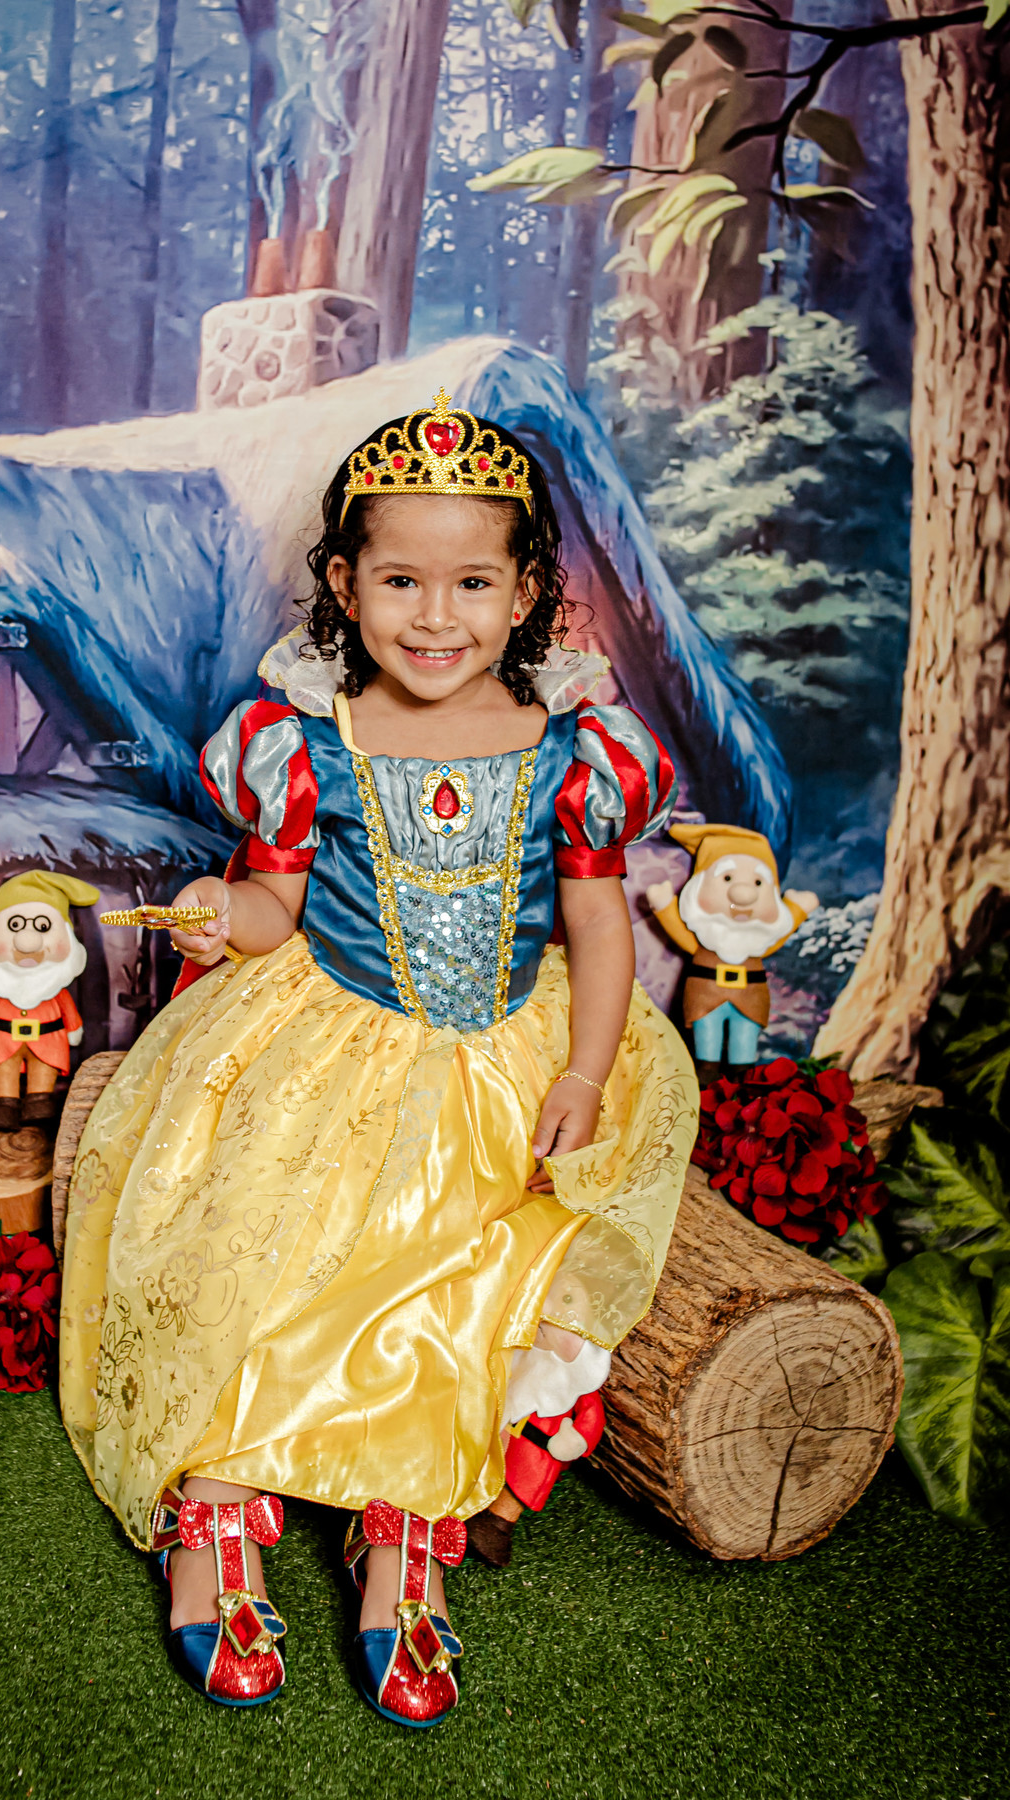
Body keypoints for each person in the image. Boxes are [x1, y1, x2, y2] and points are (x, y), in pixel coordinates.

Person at [59, 392, 698, 1727]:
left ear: (530, 596)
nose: (434, 616)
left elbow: (594, 925)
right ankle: (217, 1503)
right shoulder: (308, 745)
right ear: (346, 585)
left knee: (472, 1265)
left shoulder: (570, 752)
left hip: (508, 1056)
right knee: (261, 1248)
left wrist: (581, 1077)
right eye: (400, 579)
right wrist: (213, 911)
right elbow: (272, 911)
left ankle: (406, 1529)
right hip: (331, 1044)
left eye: (474, 582)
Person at [645, 822, 818, 1086]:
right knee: (707, 1037)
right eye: (727, 878)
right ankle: (706, 1069)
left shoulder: (758, 940)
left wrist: (797, 910)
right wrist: (665, 907)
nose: (744, 893)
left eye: (758, 882)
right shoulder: (703, 939)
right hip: (706, 998)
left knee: (745, 1039)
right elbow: (681, 934)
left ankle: (743, 1072)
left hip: (750, 998)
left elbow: (777, 933)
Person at [0, 872, 98, 1131]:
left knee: (44, 1071)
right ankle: (5, 1104)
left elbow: (68, 1011)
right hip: (3, 1042)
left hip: (48, 1043)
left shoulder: (56, 990)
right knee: (4, 1070)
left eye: (43, 927)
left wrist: (74, 1029)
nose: (27, 941)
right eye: (15, 925)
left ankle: (40, 1101)